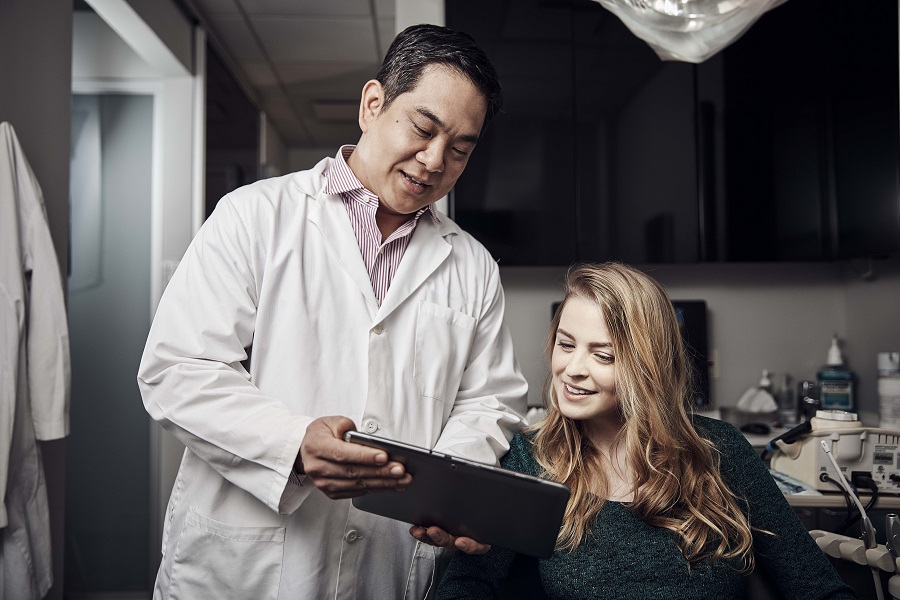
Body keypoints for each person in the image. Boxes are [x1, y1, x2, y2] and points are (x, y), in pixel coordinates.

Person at [137, 24, 528, 600]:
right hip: (243, 571)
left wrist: (451, 495)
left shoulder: (472, 266)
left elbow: (488, 402)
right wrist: (293, 444)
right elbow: (177, 370)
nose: (434, 160)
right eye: (423, 129)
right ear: (373, 104)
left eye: (461, 149)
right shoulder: (253, 216)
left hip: (385, 563)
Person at [437, 262, 855, 600]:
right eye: (566, 345)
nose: (573, 369)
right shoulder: (531, 458)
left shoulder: (721, 451)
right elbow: (468, 584)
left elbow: (816, 587)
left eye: (603, 355)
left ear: (647, 366)